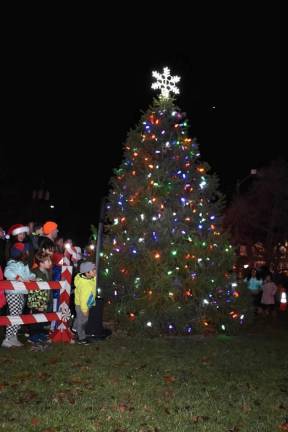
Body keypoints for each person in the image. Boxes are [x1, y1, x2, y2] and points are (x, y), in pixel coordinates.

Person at [1, 242, 36, 348]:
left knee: (18, 315)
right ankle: (7, 338)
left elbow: (28, 275)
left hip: (21, 292)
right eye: (26, 251)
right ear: (20, 253)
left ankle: (13, 337)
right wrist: (16, 277)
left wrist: (33, 277)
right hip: (13, 293)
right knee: (14, 315)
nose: (28, 252)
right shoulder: (12, 263)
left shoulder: (23, 264)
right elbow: (7, 273)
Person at [27, 252, 51, 343]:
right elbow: (30, 277)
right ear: (41, 263)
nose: (50, 262)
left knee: (42, 317)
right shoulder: (35, 271)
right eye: (47, 261)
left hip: (44, 299)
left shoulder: (47, 272)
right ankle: (33, 336)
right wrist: (33, 279)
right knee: (35, 317)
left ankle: (40, 333)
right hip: (36, 299)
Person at [73, 261, 96, 344]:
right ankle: (81, 338)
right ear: (87, 273)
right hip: (82, 306)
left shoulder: (87, 278)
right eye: (93, 270)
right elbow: (83, 299)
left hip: (84, 304)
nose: (95, 271)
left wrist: (94, 276)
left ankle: (74, 328)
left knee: (79, 318)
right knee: (83, 321)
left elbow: (93, 280)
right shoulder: (85, 285)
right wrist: (85, 310)